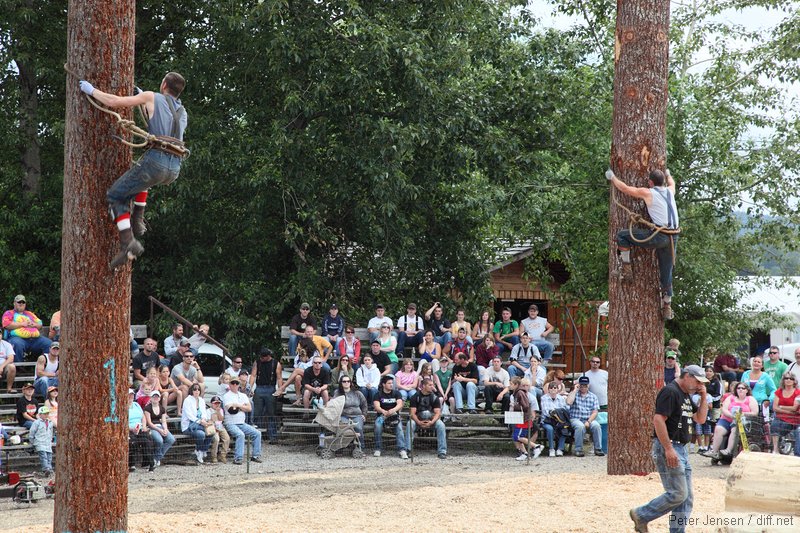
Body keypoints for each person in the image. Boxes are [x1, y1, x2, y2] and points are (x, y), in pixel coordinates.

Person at [79, 72, 187, 267]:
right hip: (174, 169)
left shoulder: (151, 97)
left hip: (156, 164)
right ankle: (137, 217)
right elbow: (163, 126)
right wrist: (143, 99)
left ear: (163, 84)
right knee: (141, 176)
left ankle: (128, 242)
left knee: (115, 195)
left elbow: (113, 101)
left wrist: (91, 90)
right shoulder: (183, 112)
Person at [630, 365, 709, 533]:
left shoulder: (686, 395)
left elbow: (700, 419)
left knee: (686, 498)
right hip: (670, 446)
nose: (698, 385)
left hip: (682, 448)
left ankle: (677, 531)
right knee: (678, 493)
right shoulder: (671, 392)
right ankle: (641, 514)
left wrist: (703, 396)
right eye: (697, 381)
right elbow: (658, 419)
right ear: (687, 376)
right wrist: (668, 448)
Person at [607, 168, 679, 320]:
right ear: (663, 182)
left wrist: (612, 177)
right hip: (673, 237)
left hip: (660, 236)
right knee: (666, 273)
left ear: (651, 182)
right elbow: (673, 182)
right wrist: (668, 173)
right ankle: (667, 304)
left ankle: (626, 269)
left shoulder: (649, 193)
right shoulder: (670, 191)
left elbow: (625, 189)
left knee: (622, 236)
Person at [702, 381, 758, 460]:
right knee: (718, 429)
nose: (740, 390)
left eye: (743, 388)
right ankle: (714, 452)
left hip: (742, 421)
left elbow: (755, 412)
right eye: (738, 388)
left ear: (747, 390)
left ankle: (728, 450)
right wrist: (731, 415)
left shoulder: (750, 399)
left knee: (735, 429)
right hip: (727, 419)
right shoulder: (730, 398)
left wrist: (742, 414)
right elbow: (724, 409)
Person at [222, 378, 263, 465]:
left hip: (241, 423)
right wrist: (242, 407)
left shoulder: (243, 395)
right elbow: (231, 410)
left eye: (236, 383)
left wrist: (237, 405)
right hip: (230, 423)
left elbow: (249, 408)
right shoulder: (227, 396)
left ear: (239, 384)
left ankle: (255, 455)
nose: (235, 385)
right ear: (229, 384)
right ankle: (238, 458)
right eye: (233, 383)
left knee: (257, 433)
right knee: (240, 434)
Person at [2, 295, 52, 363]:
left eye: (23, 302)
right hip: (17, 338)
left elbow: (40, 324)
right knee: (17, 344)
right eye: (19, 302)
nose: (21, 304)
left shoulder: (30, 314)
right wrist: (22, 324)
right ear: (14, 303)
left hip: (34, 339)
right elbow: (6, 324)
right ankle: (19, 368)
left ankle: (45, 366)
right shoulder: (9, 313)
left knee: (48, 344)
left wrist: (34, 325)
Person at [408, 378, 447, 459]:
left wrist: (432, 422)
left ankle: (442, 451)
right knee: (410, 424)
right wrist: (418, 422)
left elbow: (437, 413)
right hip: (418, 419)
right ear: (423, 386)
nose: (432, 387)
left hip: (431, 419)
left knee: (441, 425)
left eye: (432, 385)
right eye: (430, 385)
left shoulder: (435, 397)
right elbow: (412, 413)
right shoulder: (415, 397)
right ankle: (408, 450)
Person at [249, 347, 282, 443]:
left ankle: (273, 437)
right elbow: (253, 375)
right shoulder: (257, 362)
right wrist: (249, 388)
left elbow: (279, 378)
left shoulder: (276, 363)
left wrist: (280, 389)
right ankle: (255, 436)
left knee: (271, 414)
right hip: (259, 388)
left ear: (268, 356)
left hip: (270, 388)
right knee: (256, 413)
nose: (261, 359)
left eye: (263, 357)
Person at [566, 376, 604, 457]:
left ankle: (598, 448)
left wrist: (589, 421)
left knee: (596, 425)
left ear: (588, 386)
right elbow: (569, 402)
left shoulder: (593, 396)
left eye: (585, 385)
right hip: (575, 418)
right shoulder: (574, 394)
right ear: (579, 385)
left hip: (588, 418)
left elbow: (595, 412)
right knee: (580, 427)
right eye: (581, 385)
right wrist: (575, 390)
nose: (583, 387)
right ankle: (578, 449)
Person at [373, 375, 408, 458]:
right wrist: (383, 411)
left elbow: (399, 404)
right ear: (383, 384)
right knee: (378, 425)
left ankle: (402, 450)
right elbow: (377, 406)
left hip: (394, 416)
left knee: (399, 428)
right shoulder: (378, 394)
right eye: (389, 383)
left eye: (392, 383)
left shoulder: (396, 393)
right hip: (382, 416)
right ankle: (378, 449)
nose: (391, 385)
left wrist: (393, 410)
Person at [508, 376, 541, 460]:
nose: (509, 385)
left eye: (511, 384)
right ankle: (524, 453)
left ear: (516, 385)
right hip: (519, 418)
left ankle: (536, 446)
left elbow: (526, 406)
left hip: (524, 418)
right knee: (516, 436)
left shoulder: (520, 393)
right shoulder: (515, 393)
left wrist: (515, 406)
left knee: (518, 437)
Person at [181, 384, 213, 463]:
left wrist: (203, 420)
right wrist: (200, 421)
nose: (197, 391)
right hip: (189, 425)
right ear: (191, 390)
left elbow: (204, 413)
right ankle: (199, 451)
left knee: (211, 432)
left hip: (200, 424)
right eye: (195, 389)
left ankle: (202, 450)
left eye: (198, 389)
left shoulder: (201, 400)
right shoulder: (187, 400)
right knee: (201, 434)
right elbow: (189, 415)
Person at [334, 375, 368, 449]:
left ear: (350, 383)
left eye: (348, 381)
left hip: (357, 416)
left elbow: (364, 404)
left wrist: (364, 415)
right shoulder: (337, 393)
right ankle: (340, 448)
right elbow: (334, 405)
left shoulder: (357, 393)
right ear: (341, 383)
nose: (346, 383)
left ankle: (361, 448)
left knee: (358, 428)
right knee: (343, 429)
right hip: (343, 416)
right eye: (344, 381)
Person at [770, 372, 800, 454]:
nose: (788, 380)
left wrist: (781, 407)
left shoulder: (798, 392)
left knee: (795, 430)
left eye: (791, 378)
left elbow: (794, 408)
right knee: (774, 425)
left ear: (794, 381)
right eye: (786, 378)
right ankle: (775, 449)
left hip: (794, 419)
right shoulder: (779, 391)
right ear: (783, 380)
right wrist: (787, 411)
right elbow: (775, 408)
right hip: (780, 417)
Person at [143, 390, 174, 467]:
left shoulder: (162, 408)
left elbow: (163, 421)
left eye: (157, 396)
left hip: (160, 426)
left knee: (171, 439)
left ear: (159, 398)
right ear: (151, 398)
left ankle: (157, 457)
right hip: (152, 427)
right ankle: (157, 458)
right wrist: (160, 430)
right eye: (154, 396)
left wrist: (165, 429)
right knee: (159, 440)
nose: (155, 398)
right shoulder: (147, 408)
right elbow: (149, 423)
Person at [128, 389, 155, 472]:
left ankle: (150, 463)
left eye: (132, 395)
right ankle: (131, 464)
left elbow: (143, 416)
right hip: (129, 429)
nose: (131, 397)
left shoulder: (136, 404)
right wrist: (131, 429)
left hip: (139, 428)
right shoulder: (121, 406)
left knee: (147, 440)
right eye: (129, 395)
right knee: (132, 442)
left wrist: (143, 426)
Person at [540, 381, 569, 457]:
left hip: (559, 421)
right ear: (548, 389)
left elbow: (564, 409)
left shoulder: (561, 398)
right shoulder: (544, 398)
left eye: (555, 388)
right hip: (547, 421)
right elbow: (546, 412)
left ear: (557, 389)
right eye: (551, 388)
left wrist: (556, 412)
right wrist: (557, 413)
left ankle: (560, 449)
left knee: (565, 428)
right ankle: (551, 449)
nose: (553, 389)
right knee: (550, 429)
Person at [29, 406, 55, 477]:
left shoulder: (50, 422)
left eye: (47, 414)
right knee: (43, 456)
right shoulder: (36, 422)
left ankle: (49, 468)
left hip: (47, 442)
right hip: (39, 442)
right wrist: (32, 441)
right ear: (40, 414)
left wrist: (51, 439)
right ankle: (46, 469)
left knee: (49, 456)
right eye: (44, 414)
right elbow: (32, 432)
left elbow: (51, 432)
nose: (46, 415)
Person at [207, 395, 231, 463]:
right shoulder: (208, 411)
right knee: (216, 439)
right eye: (215, 403)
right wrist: (214, 427)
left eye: (218, 403)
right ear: (212, 403)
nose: (217, 404)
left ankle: (222, 455)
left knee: (227, 438)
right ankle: (214, 456)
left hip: (220, 426)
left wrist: (218, 412)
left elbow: (221, 419)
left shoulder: (221, 410)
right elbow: (208, 421)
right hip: (212, 427)